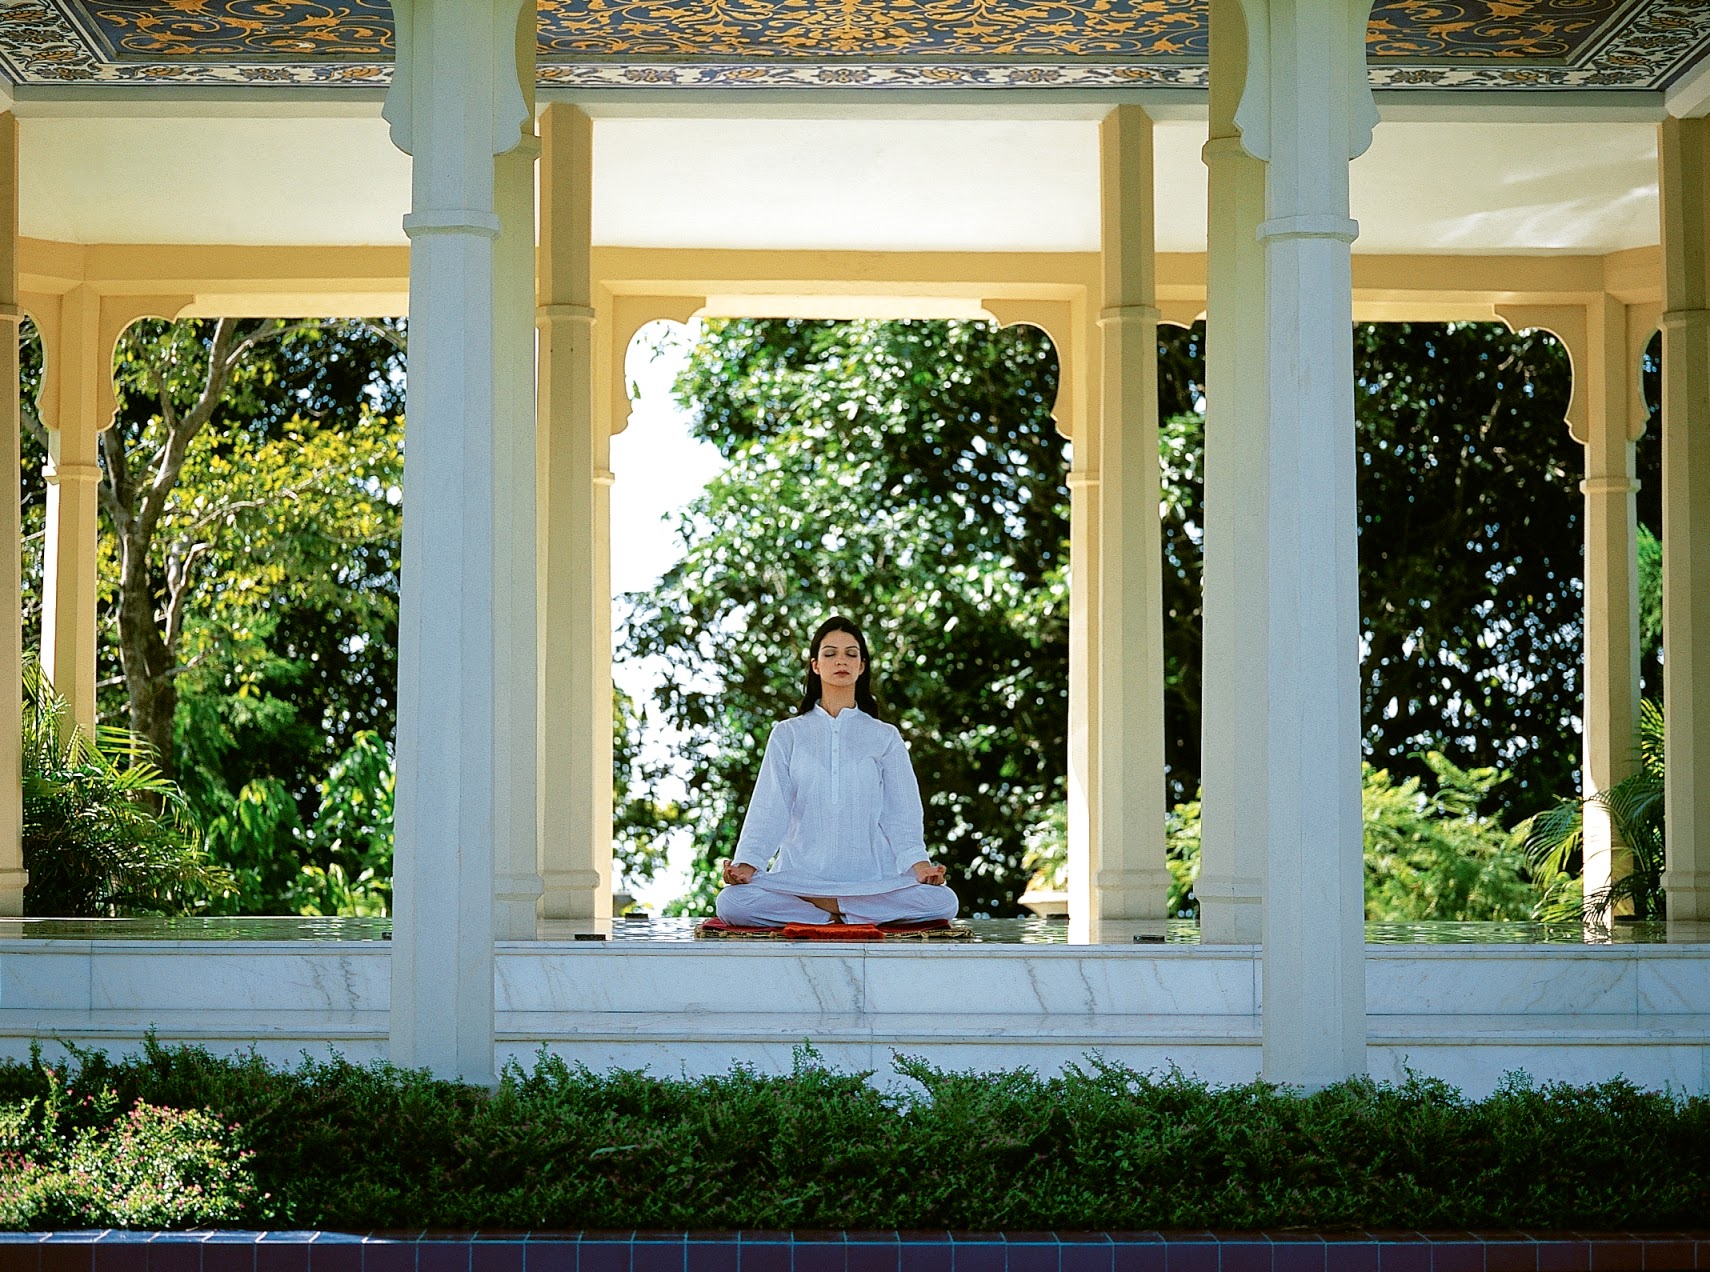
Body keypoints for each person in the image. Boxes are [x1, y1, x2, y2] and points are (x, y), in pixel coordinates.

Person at [713, 615, 959, 928]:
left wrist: (920, 866)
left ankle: (828, 911)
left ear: (862, 665)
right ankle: (837, 914)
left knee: (943, 902)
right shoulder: (788, 734)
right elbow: (770, 807)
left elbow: (901, 814)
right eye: (830, 653)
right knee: (732, 903)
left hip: (871, 883)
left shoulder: (884, 736)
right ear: (816, 665)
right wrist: (747, 864)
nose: (840, 660)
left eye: (850, 654)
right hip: (799, 881)